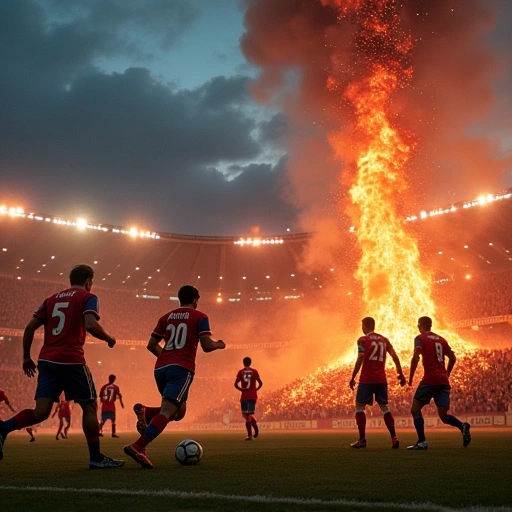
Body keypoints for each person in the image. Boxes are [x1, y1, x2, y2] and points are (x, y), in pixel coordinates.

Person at [0, 264, 124, 468]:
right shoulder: (87, 297)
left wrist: (25, 357)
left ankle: (3, 428)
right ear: (88, 281)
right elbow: (91, 324)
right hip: (71, 359)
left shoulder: (51, 299)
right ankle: (96, 458)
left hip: (47, 361)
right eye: (91, 282)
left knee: (41, 412)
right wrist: (109, 339)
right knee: (90, 405)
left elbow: (30, 326)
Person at [124, 284, 225, 469]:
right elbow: (207, 345)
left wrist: (167, 358)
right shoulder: (200, 316)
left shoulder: (166, 317)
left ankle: (147, 412)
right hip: (181, 369)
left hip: (161, 368)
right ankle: (138, 446)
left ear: (180, 299)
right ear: (196, 300)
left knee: (179, 412)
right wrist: (219, 344)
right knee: (169, 412)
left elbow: (151, 344)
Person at [407, 316, 471, 450]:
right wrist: (446, 374)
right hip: (443, 381)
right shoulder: (441, 339)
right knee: (443, 415)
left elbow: (416, 357)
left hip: (430, 379)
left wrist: (411, 378)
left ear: (420, 325)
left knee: (415, 408)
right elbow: (452, 357)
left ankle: (422, 441)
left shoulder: (420, 338)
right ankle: (462, 426)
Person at [349, 317, 406, 449]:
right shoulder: (384, 340)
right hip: (381, 379)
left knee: (359, 407)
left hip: (367, 378)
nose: (361, 328)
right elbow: (395, 356)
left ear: (367, 326)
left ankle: (362, 439)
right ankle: (394, 437)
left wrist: (353, 376)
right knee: (385, 407)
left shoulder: (362, 340)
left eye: (362, 325)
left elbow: (361, 357)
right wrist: (400, 373)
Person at [234, 357, 263, 440]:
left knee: (246, 416)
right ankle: (254, 425)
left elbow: (235, 384)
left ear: (243, 363)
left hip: (244, 396)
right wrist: (255, 390)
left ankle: (250, 435)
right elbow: (261, 383)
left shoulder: (241, 372)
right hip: (253, 396)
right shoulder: (254, 371)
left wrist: (242, 389)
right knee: (249, 414)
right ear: (250, 363)